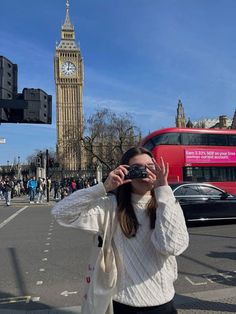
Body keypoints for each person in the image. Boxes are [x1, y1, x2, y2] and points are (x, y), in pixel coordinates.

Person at [52, 147, 189, 314]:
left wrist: (163, 190)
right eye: (137, 168)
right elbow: (61, 213)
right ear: (125, 172)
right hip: (123, 305)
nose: (144, 172)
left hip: (163, 304)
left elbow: (171, 247)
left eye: (150, 166)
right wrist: (103, 187)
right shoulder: (110, 206)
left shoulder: (168, 203)